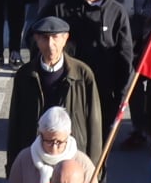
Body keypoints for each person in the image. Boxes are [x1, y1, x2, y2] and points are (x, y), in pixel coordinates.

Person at [6, 17, 106, 163]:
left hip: (71, 157)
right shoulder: (25, 75)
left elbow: (94, 123)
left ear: (65, 38)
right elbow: (15, 123)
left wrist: (94, 168)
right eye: (45, 38)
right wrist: (13, 166)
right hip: (36, 156)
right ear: (36, 40)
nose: (51, 45)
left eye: (55, 37)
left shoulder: (82, 74)